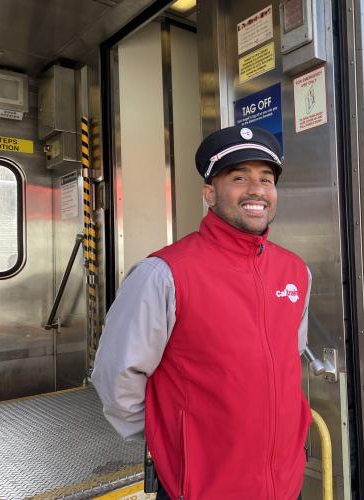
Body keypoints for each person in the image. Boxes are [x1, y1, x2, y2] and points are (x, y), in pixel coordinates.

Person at [92, 125, 312, 500]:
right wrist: (173, 440)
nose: (257, 190)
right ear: (209, 193)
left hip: (285, 485)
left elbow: (288, 358)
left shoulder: (296, 272)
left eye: (266, 179)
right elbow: (118, 377)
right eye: (239, 178)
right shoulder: (163, 274)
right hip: (201, 488)